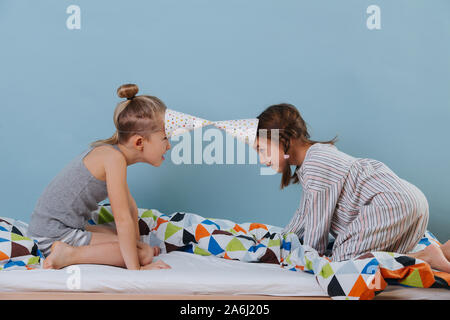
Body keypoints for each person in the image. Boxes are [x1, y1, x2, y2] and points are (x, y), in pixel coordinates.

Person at [254, 103, 450, 272]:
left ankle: (425, 258)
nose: (262, 160)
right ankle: (440, 252)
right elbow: (303, 215)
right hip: (410, 200)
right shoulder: (318, 158)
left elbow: (316, 234)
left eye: (262, 150)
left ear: (285, 139)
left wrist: (304, 257)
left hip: (390, 204)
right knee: (383, 256)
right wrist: (277, 242)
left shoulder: (316, 164)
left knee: (343, 265)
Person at [28, 84, 171, 270]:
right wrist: (137, 268)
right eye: (165, 139)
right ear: (139, 142)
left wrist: (136, 244)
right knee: (143, 254)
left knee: (136, 246)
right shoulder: (114, 159)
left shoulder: (111, 155)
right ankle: (68, 255)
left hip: (54, 227)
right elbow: (122, 219)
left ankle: (127, 251)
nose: (168, 146)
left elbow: (130, 209)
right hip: (52, 234)